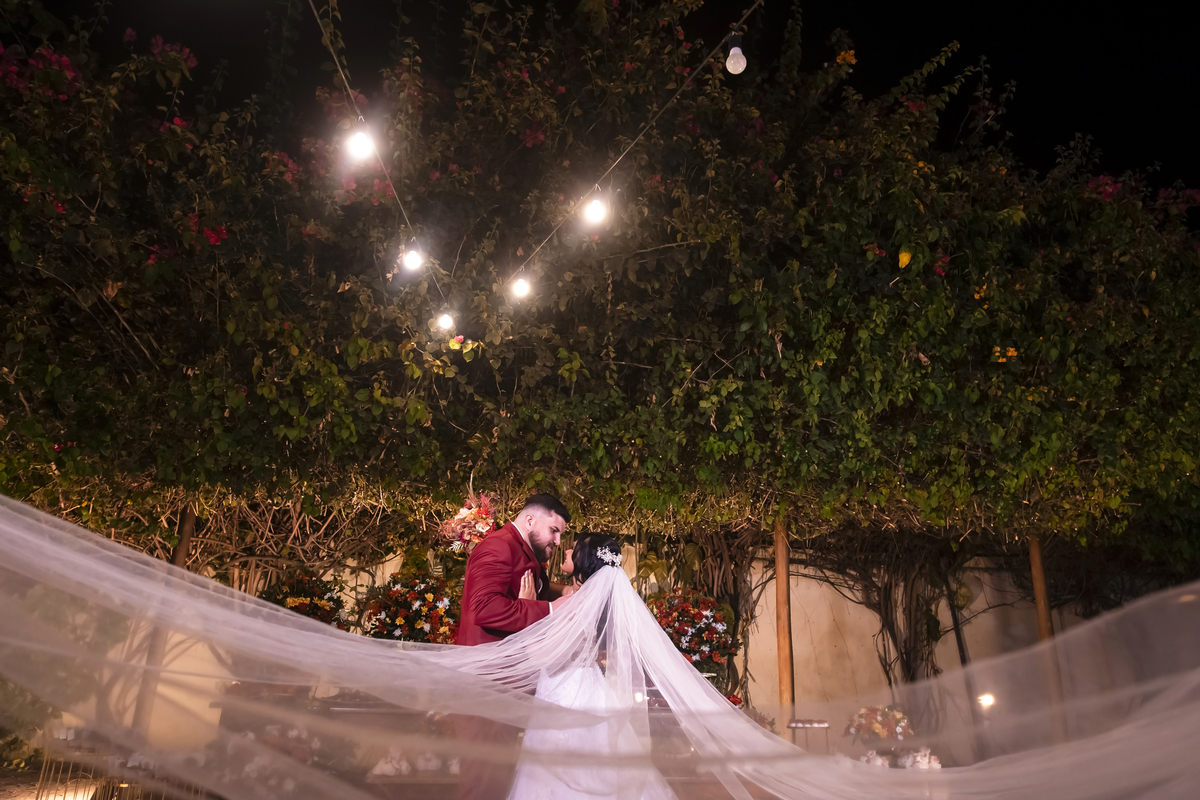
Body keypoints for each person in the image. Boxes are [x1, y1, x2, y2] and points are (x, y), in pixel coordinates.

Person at [507, 534, 675, 800]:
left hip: (566, 699)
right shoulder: (586, 601)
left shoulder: (575, 607)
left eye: (574, 548)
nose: (567, 549)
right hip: (587, 691)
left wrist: (525, 607)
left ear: (583, 564)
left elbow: (541, 657)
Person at [455, 493, 574, 800]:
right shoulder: (498, 546)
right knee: (484, 782)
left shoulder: (524, 550)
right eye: (555, 530)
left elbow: (537, 590)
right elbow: (483, 608)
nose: (558, 541)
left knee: (502, 779)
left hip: (506, 685)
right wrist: (549, 609)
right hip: (484, 685)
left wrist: (568, 592)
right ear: (530, 520)